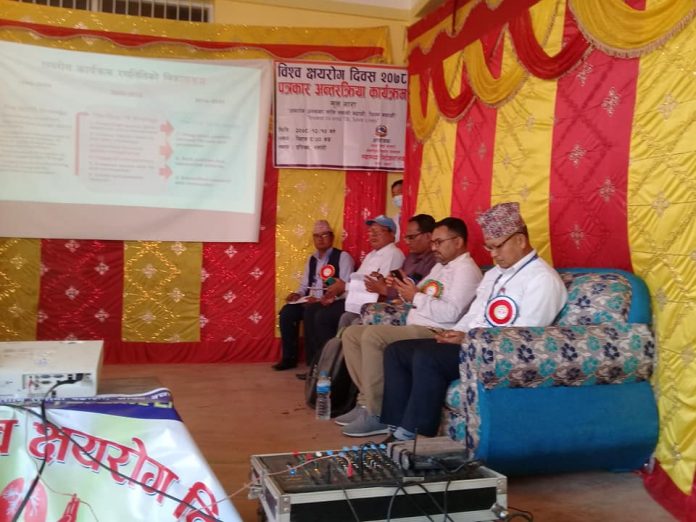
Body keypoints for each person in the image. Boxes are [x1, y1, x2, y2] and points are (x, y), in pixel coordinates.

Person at [380, 202, 568, 441]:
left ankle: (413, 435)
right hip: (472, 343)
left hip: (498, 353)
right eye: (489, 247)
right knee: (397, 351)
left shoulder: (542, 279)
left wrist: (468, 339)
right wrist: (455, 333)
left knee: (428, 358)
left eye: (498, 246)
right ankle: (395, 426)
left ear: (520, 240)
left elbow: (523, 336)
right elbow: (474, 314)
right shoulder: (494, 274)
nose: (493, 254)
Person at [338, 217, 483, 437]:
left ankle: (378, 412)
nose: (434, 248)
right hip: (415, 322)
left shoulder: (466, 270)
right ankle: (367, 401)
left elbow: (451, 313)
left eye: (439, 242)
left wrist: (415, 296)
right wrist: (403, 287)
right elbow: (419, 292)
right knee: (351, 334)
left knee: (373, 336)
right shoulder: (440, 267)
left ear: (458, 242)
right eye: (433, 242)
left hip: (435, 329)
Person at [297, 214, 405, 380]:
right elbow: (357, 281)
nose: (372, 235)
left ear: (392, 234)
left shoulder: (393, 254)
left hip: (372, 304)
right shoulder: (371, 255)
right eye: (370, 232)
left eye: (378, 232)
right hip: (356, 301)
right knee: (312, 311)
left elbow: (377, 287)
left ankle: (334, 369)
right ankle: (319, 365)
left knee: (324, 317)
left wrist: (344, 287)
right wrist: (337, 294)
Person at [272, 220, 354, 370]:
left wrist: (323, 299)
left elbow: (346, 287)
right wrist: (298, 294)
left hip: (331, 301)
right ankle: (289, 358)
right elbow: (304, 285)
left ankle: (314, 363)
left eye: (324, 235)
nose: (320, 239)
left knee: (311, 312)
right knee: (287, 313)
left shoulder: (343, 257)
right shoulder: (312, 259)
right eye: (317, 236)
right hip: (310, 300)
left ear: (332, 237)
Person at [363, 214, 437, 302]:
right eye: (406, 237)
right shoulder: (410, 257)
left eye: (411, 237)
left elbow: (420, 295)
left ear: (428, 236)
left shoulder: (435, 261)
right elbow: (398, 283)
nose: (407, 242)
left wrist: (384, 289)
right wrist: (387, 282)